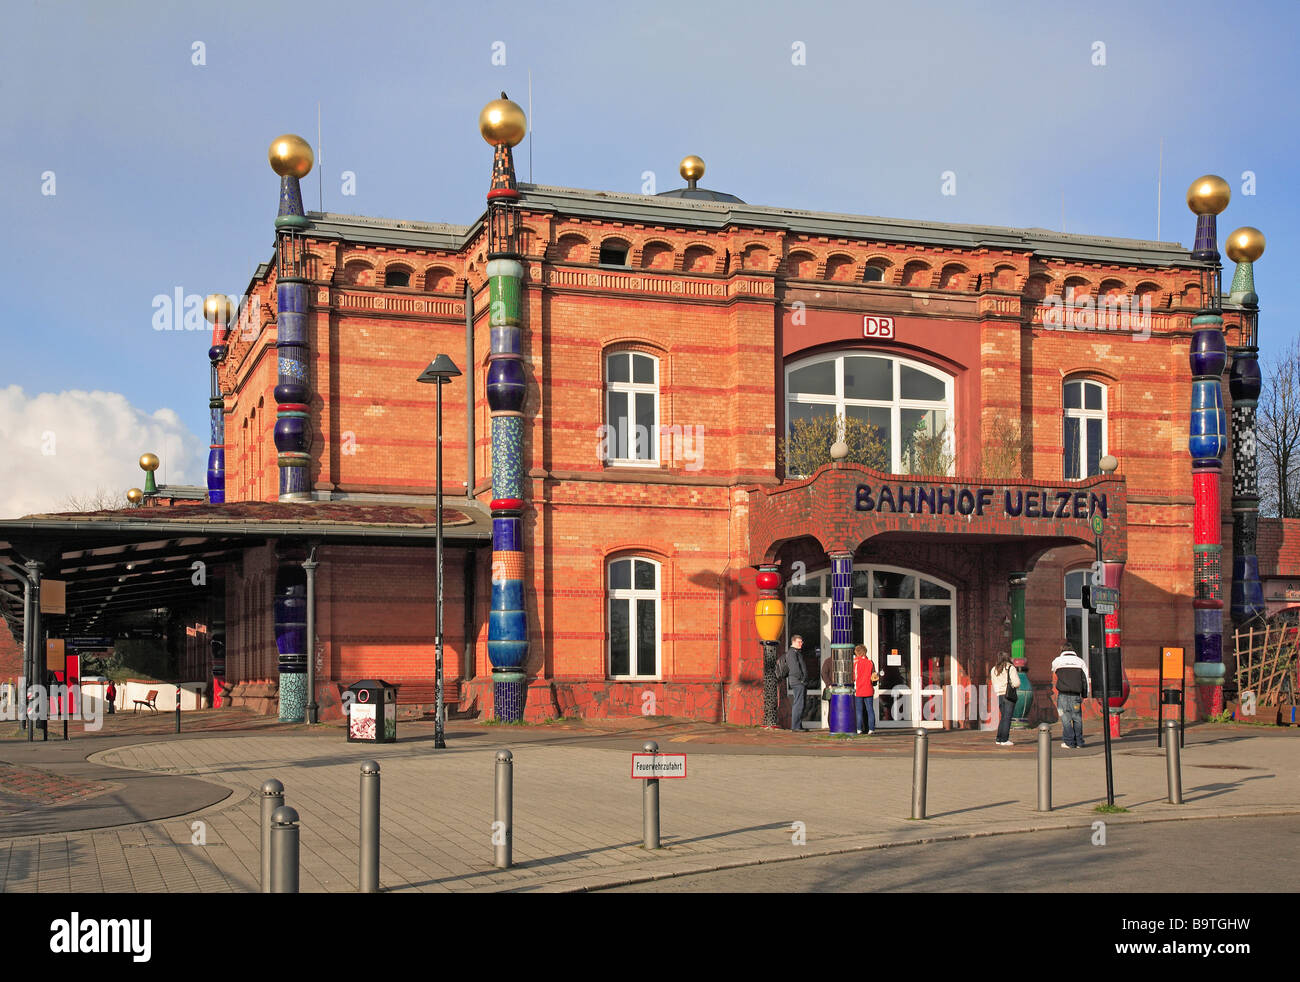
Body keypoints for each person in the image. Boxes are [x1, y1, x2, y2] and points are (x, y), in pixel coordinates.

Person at [1052, 641, 1090, 749]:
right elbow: (1085, 680)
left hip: (1062, 695)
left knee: (1065, 719)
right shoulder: (1080, 661)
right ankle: (1079, 742)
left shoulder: (1057, 661)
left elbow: (1054, 670)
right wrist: (1085, 695)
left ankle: (1069, 742)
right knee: (1077, 718)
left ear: (1062, 650)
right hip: (1076, 695)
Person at [990, 652, 1019, 746]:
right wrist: (1013, 686)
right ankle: (1004, 739)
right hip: (1008, 695)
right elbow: (1017, 683)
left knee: (1003, 717)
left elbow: (993, 682)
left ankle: (999, 738)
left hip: (999, 694)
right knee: (1007, 717)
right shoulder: (1010, 667)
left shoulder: (994, 669)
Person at [853, 644, 877, 735]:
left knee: (859, 710)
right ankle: (871, 729)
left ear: (857, 653)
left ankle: (859, 729)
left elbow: (853, 677)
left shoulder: (855, 663)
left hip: (859, 689)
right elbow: (874, 675)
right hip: (869, 689)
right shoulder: (870, 662)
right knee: (870, 710)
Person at [785, 635, 808, 731]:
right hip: (797, 682)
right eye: (799, 641)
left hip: (799, 681)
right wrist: (801, 679)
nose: (801, 643)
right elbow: (794, 668)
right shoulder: (792, 653)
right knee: (798, 704)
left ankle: (798, 725)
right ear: (793, 642)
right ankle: (795, 726)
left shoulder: (796, 653)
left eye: (802, 641)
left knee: (801, 704)